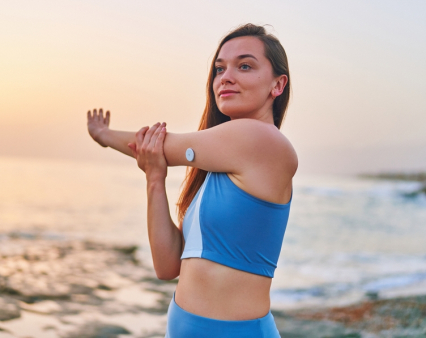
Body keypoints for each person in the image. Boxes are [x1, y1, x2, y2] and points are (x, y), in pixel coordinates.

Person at [87, 23, 297, 337]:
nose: (226, 77)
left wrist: (104, 135)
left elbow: (163, 146)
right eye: (219, 68)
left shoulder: (263, 141)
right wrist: (155, 179)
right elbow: (167, 266)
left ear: (277, 85)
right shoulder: (219, 171)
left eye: (244, 66)